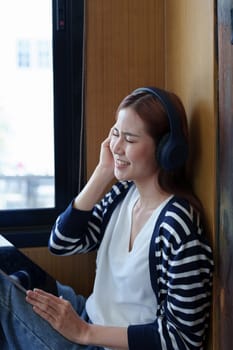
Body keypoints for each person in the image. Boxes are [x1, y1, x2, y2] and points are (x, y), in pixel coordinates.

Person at [0, 87, 213, 350]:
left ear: (166, 150)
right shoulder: (125, 192)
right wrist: (103, 171)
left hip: (99, 340)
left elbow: (184, 339)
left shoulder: (176, 226)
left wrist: (85, 333)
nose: (116, 146)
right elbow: (61, 243)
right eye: (115, 133)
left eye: (130, 139)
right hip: (89, 317)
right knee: (8, 262)